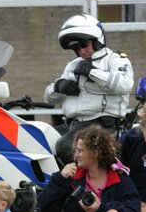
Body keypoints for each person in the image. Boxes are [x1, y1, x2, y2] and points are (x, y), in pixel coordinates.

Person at [44, 14, 134, 164]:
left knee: (65, 146)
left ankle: (88, 179)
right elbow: (48, 98)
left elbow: (125, 85)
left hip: (101, 124)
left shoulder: (115, 59)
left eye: (84, 46)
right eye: (76, 48)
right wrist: (59, 86)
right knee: (40, 139)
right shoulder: (73, 64)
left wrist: (91, 72)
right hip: (72, 125)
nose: (81, 52)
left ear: (97, 41)